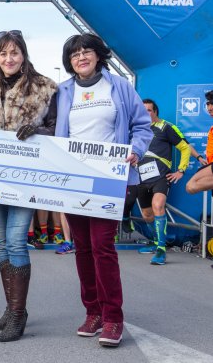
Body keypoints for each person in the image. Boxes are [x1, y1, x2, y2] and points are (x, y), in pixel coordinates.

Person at [56, 33, 152, 347]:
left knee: (103, 247)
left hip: (109, 180)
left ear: (98, 55)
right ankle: (93, 311)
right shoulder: (63, 91)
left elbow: (142, 125)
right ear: (69, 62)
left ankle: (113, 317)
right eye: (74, 54)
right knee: (82, 248)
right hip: (73, 179)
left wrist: (136, 151)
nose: (81, 57)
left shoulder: (120, 86)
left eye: (86, 51)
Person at [0, 30, 58, 342]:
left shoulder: (45, 87)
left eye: (14, 52)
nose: (9, 58)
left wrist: (38, 131)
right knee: (4, 244)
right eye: (3, 53)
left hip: (26, 178)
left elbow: (57, 130)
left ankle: (18, 314)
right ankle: (12, 309)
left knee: (17, 240)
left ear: (24, 55)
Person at [133, 98, 200, 265]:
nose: (145, 113)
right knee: (147, 215)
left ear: (155, 112)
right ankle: (155, 242)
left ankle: (161, 250)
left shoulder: (165, 127)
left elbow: (184, 147)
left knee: (158, 206)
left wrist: (181, 170)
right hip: (141, 178)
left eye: (148, 110)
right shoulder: (136, 130)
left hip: (161, 177)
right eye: (143, 110)